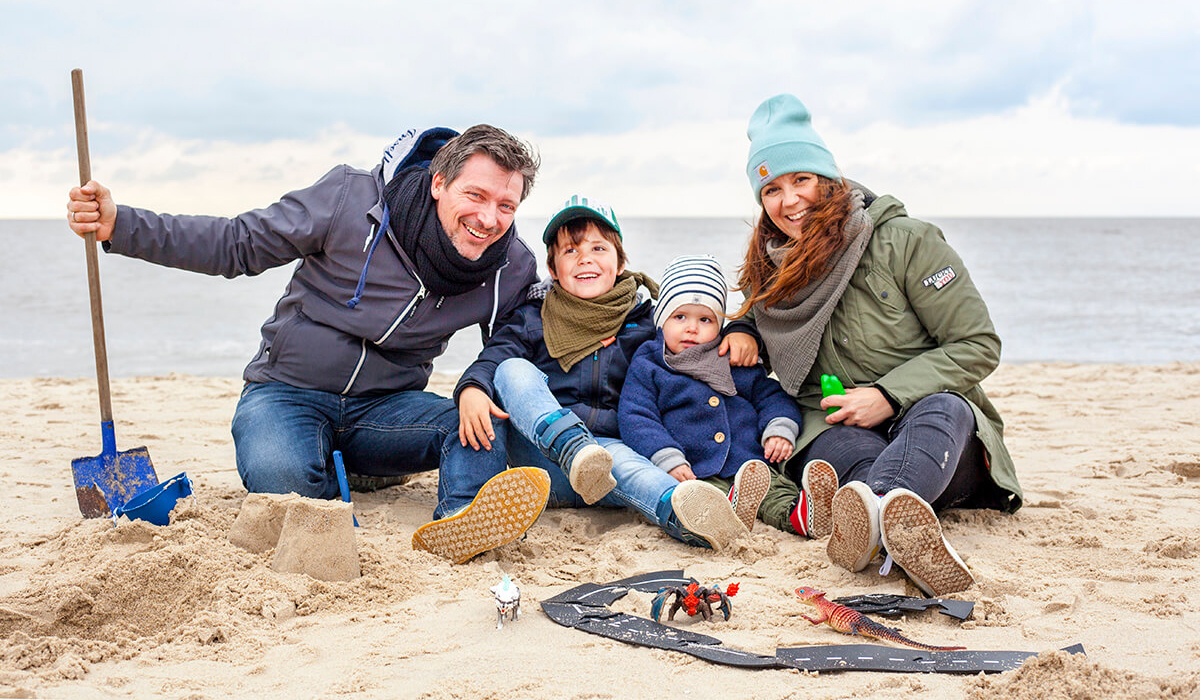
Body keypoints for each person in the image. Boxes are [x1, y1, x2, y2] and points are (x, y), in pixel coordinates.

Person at [66, 125, 552, 563]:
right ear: (439, 182)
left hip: (385, 410)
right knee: (285, 483)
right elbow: (236, 243)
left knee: (486, 424)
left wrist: (476, 385)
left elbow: (510, 341)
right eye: (477, 195)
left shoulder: (509, 266)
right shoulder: (350, 198)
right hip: (286, 393)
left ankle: (460, 521)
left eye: (506, 205)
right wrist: (121, 224)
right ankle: (339, 476)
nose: (490, 219)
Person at [720, 94, 1023, 596]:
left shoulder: (903, 241)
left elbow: (977, 344)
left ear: (829, 180)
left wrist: (886, 395)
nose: (789, 200)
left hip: (934, 421)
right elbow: (753, 316)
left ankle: (881, 518)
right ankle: (886, 525)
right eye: (771, 189)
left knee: (941, 412)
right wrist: (742, 331)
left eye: (801, 180)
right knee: (846, 462)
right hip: (832, 418)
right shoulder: (771, 268)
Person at [447, 195, 749, 551]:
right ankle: (560, 454)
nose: (585, 258)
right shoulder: (533, 318)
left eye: (598, 248)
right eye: (571, 251)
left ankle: (688, 519)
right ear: (554, 269)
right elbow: (494, 359)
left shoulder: (646, 323)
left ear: (620, 263)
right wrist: (471, 387)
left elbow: (699, 331)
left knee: (635, 472)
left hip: (607, 459)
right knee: (512, 370)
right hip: (539, 458)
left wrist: (744, 331)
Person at [620, 255, 839, 538]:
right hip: (694, 467)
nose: (692, 328)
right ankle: (731, 514)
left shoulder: (728, 356)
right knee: (703, 501)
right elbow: (636, 416)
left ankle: (804, 516)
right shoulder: (650, 363)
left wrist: (779, 429)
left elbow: (769, 395)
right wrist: (668, 458)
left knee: (775, 492)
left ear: (719, 324)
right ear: (661, 320)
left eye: (705, 319)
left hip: (747, 460)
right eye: (680, 316)